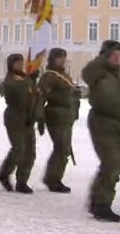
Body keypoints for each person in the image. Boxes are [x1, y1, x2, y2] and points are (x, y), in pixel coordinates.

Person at [82, 40, 120, 222]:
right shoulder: (98, 72)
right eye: (113, 54)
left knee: (115, 166)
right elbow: (86, 73)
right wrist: (102, 58)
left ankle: (97, 199)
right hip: (102, 121)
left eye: (119, 54)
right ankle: (102, 204)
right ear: (105, 56)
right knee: (110, 163)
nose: (117, 58)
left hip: (119, 124)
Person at [0, 54, 43, 194]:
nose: (20, 65)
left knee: (30, 152)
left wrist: (39, 117)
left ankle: (22, 181)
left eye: (21, 63)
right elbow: (14, 90)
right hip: (14, 117)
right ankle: (4, 173)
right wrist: (30, 80)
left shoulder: (25, 78)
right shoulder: (10, 79)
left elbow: (35, 96)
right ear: (11, 65)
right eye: (17, 63)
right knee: (19, 148)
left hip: (28, 118)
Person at [39, 47, 77, 193]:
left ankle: (53, 177)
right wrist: (40, 117)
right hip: (55, 115)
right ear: (52, 59)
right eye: (59, 57)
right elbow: (41, 98)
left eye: (64, 57)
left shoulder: (64, 76)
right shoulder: (49, 76)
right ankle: (53, 179)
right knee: (61, 148)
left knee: (64, 149)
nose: (62, 60)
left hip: (66, 116)